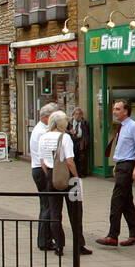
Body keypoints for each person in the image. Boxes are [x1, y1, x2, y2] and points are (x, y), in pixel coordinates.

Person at [39, 109, 92, 257]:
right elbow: (69, 161)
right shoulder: (65, 138)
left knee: (55, 213)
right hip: (67, 178)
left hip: (51, 176)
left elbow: (42, 161)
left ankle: (59, 246)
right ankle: (79, 245)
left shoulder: (43, 137)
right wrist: (76, 177)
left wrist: (49, 175)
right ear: (62, 123)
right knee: (75, 212)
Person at [96, 99, 135, 247]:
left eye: (117, 109)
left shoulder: (134, 126)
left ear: (125, 111)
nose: (114, 111)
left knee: (116, 200)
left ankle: (112, 235)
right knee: (127, 202)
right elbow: (122, 148)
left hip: (129, 165)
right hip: (122, 165)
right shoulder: (121, 127)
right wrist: (116, 164)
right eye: (114, 109)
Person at [29, 102, 59, 248]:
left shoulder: (41, 129)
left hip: (38, 169)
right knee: (47, 205)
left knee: (45, 205)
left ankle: (45, 238)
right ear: (47, 117)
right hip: (42, 170)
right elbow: (46, 157)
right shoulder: (43, 132)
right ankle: (45, 240)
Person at [68, 108, 90, 178]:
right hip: (73, 141)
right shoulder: (70, 122)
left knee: (82, 158)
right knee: (73, 157)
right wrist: (69, 132)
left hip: (81, 141)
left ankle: (81, 173)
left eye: (79, 114)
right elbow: (65, 131)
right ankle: (73, 173)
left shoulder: (84, 122)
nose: (78, 116)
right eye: (76, 114)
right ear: (73, 115)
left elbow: (87, 132)